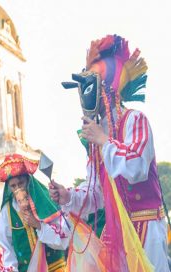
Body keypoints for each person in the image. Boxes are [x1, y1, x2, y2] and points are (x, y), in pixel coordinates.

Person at [52, 34, 168, 271]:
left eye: (89, 87)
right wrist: (67, 196)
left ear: (106, 90)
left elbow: (137, 168)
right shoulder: (96, 140)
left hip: (145, 227)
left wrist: (104, 141)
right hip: (116, 234)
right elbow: (97, 193)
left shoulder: (135, 120)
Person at [0, 154, 68, 272]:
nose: (18, 188)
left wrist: (38, 225)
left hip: (54, 267)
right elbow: (7, 246)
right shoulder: (6, 211)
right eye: (13, 186)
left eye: (21, 183)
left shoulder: (45, 199)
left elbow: (63, 240)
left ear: (28, 180)